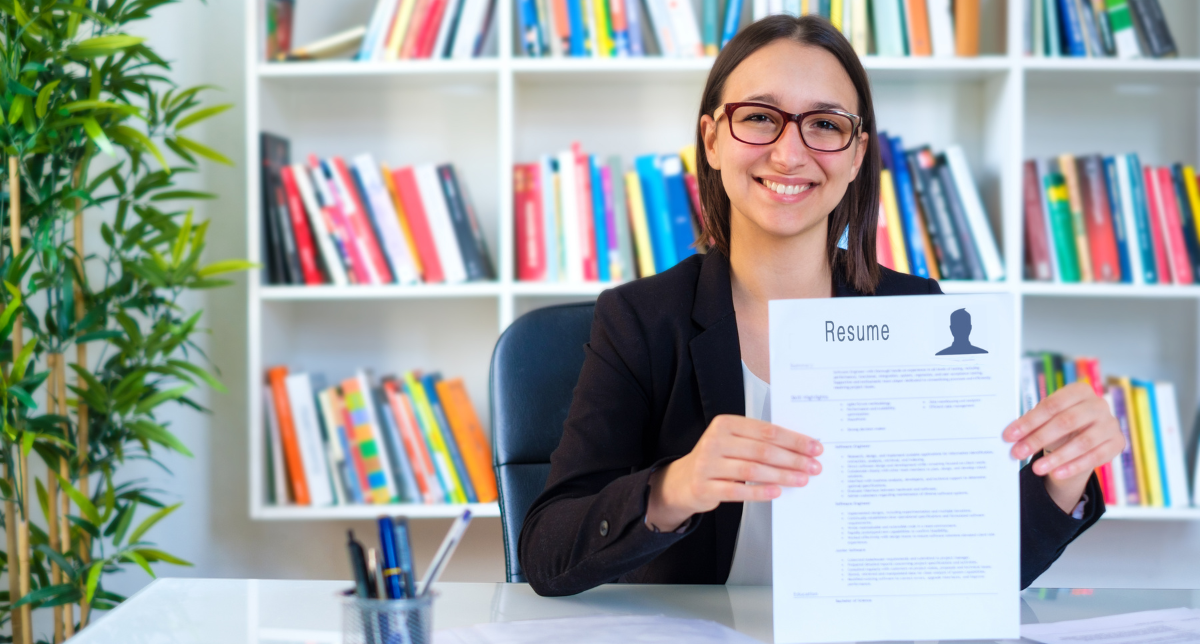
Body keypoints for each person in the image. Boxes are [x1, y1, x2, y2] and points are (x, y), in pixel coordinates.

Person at [518, 15, 1124, 598]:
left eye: (826, 125)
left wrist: (1065, 472)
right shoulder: (641, 320)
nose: (789, 153)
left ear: (858, 152)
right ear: (710, 140)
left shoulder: (919, 317)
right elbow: (546, 554)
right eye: (759, 118)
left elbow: (975, 569)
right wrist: (672, 488)